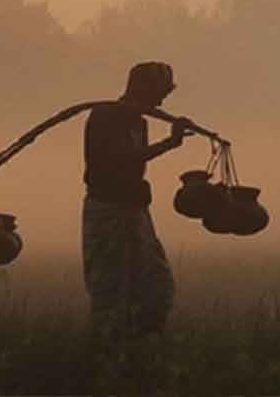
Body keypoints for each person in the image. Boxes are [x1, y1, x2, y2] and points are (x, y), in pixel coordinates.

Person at [81, 61, 192, 386]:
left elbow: (134, 158)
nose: (160, 104)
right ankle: (103, 369)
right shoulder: (106, 117)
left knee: (157, 287)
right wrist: (169, 145)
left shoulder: (139, 121)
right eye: (157, 94)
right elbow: (120, 159)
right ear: (140, 90)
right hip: (108, 212)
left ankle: (139, 355)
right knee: (111, 293)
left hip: (135, 212)